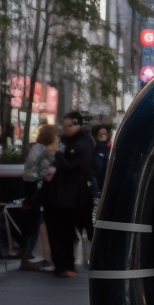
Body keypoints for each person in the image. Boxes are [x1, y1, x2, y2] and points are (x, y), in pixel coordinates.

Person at [43, 111, 95, 277]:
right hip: (62, 196)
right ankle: (63, 264)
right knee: (62, 232)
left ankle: (68, 264)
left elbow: (75, 165)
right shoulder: (66, 142)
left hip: (75, 196)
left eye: (69, 126)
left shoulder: (83, 143)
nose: (65, 129)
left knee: (70, 231)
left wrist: (60, 156)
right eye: (64, 126)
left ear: (77, 124)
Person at [20, 123, 58, 267]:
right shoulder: (42, 151)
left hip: (31, 188)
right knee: (36, 222)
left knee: (33, 221)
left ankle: (29, 255)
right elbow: (39, 171)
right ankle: (30, 255)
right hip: (37, 190)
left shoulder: (35, 148)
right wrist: (47, 174)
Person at [91, 124, 112, 197]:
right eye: (100, 134)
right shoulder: (93, 149)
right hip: (97, 190)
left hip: (104, 188)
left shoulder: (110, 149)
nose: (103, 135)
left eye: (104, 134)